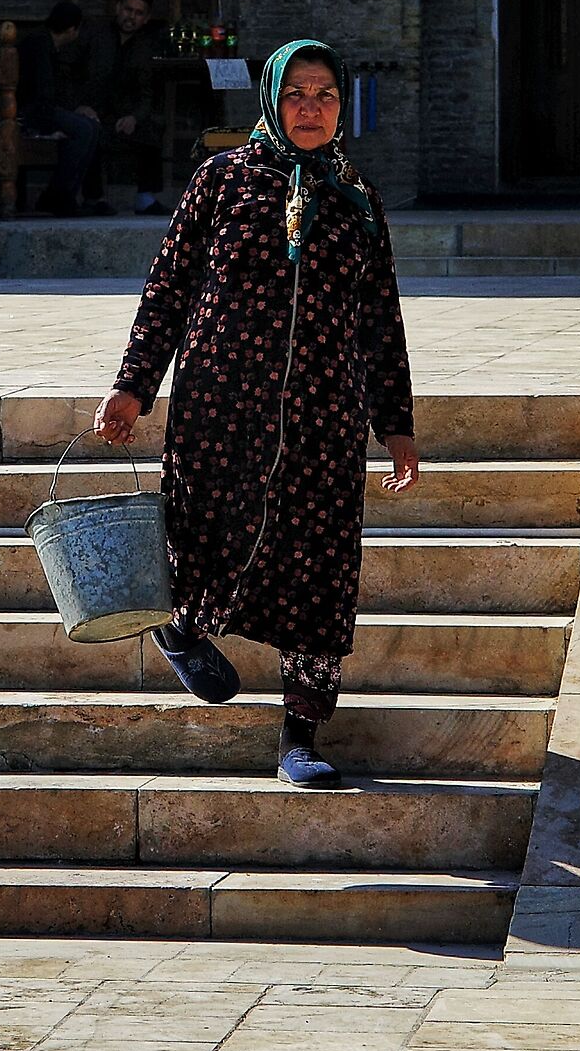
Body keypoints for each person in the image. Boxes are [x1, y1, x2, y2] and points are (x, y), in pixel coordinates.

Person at [93, 40, 418, 787]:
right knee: (209, 534)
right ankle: (184, 627)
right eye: (297, 93)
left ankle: (299, 737)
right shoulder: (223, 180)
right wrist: (133, 384)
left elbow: (380, 319)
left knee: (320, 568)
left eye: (326, 94)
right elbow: (168, 288)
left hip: (325, 415)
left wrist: (394, 422)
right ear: (272, 98)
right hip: (221, 406)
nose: (311, 108)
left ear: (343, 105)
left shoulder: (357, 198)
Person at [18, 0, 106, 217]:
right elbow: (42, 93)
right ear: (72, 29)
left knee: (90, 126)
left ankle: (65, 194)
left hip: (37, 108)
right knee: (84, 130)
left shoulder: (46, 44)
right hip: (27, 112)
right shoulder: (40, 44)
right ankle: (57, 195)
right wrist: (48, 127)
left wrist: (75, 109)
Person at [99, 0, 170, 214]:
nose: (131, 17)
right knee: (89, 130)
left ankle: (145, 198)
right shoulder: (97, 37)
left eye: (139, 13)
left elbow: (148, 90)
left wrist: (134, 117)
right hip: (97, 109)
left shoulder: (147, 46)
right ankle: (94, 198)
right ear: (118, 8)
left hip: (127, 112)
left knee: (152, 126)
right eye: (128, 10)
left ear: (146, 18)